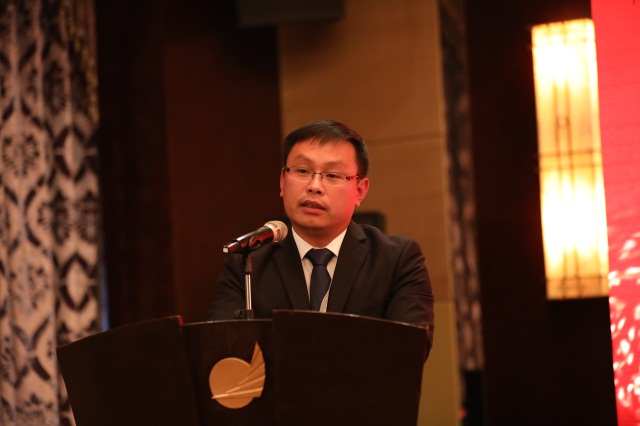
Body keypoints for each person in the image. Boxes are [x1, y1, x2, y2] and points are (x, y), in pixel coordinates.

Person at [205, 120, 434, 352]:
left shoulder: (397, 261)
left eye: (332, 175)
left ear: (360, 190)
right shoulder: (248, 261)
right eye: (302, 171)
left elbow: (409, 351)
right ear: (282, 181)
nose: (314, 186)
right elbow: (220, 350)